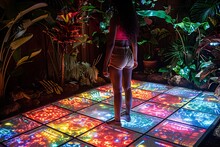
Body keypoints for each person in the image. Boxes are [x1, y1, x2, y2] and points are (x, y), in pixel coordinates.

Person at [103, 0, 138, 126]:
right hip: (128, 53)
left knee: (117, 90)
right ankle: (127, 114)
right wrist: (135, 58)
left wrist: (104, 65)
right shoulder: (132, 20)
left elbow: (111, 43)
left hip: (118, 54)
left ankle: (117, 120)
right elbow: (134, 42)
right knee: (127, 87)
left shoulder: (116, 19)